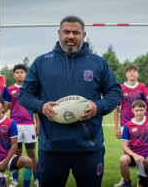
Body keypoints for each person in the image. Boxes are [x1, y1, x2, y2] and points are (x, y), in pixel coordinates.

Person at [18, 15, 122, 187]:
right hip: (52, 149)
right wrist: (41, 106)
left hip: (89, 149)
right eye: (66, 32)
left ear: (84, 34)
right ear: (59, 33)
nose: (71, 36)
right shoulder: (42, 62)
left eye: (76, 32)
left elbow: (115, 92)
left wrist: (98, 106)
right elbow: (24, 95)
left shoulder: (98, 63)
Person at [0, 93, 33, 187]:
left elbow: (14, 145)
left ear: (2, 105)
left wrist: (5, 162)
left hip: (8, 158)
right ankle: (2, 180)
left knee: (28, 161)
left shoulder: (11, 122)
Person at [8, 64, 39, 187]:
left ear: (26, 74)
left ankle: (36, 178)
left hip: (29, 125)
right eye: (17, 72)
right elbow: (6, 107)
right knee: (17, 152)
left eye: (22, 72)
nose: (19, 74)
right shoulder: (9, 90)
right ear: (14, 75)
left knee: (31, 153)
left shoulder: (31, 89)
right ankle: (15, 179)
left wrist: (38, 125)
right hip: (15, 125)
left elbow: (36, 108)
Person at [114, 64, 145, 187]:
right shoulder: (121, 87)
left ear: (138, 74)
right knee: (126, 151)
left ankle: (140, 178)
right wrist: (116, 127)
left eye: (134, 71)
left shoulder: (142, 86)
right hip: (125, 124)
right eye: (129, 71)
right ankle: (125, 179)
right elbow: (116, 109)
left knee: (141, 149)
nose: (132, 73)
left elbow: (145, 105)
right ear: (126, 74)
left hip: (140, 124)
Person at [120, 100, 148, 187]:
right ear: (132, 110)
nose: (139, 113)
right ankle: (127, 184)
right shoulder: (128, 126)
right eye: (137, 110)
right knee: (123, 159)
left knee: (147, 183)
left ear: (145, 109)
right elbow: (124, 146)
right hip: (135, 155)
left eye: (141, 110)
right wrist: (135, 155)